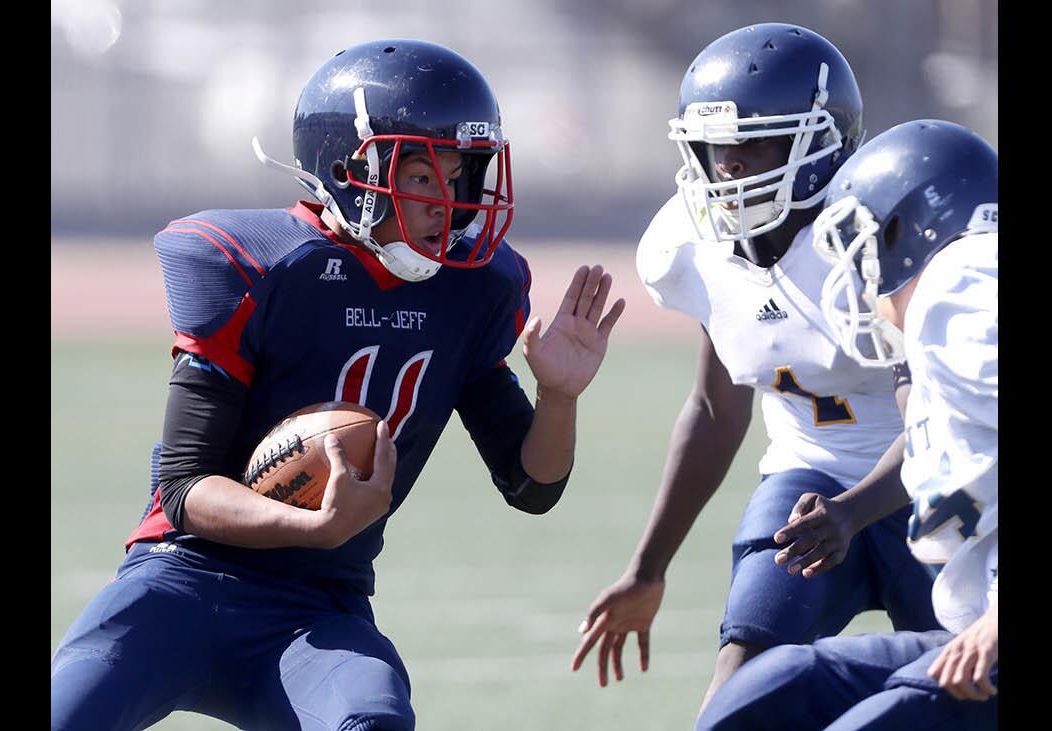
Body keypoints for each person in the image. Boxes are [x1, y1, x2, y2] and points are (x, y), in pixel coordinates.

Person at [51, 38, 625, 731]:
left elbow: (532, 485)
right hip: (183, 581)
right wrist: (309, 523)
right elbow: (183, 487)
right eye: (424, 176)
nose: (452, 201)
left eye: (462, 175)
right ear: (352, 168)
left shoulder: (472, 290)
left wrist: (558, 397)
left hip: (317, 606)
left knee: (372, 720)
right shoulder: (260, 267)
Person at [570, 23, 940, 714]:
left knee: (958, 682)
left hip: (926, 484)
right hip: (808, 478)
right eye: (720, 151)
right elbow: (715, 409)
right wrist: (647, 569)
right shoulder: (696, 247)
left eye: (757, 145)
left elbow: (934, 422)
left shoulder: (875, 236)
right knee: (742, 674)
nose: (733, 169)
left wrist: (853, 512)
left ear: (822, 142)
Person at [696, 118, 998, 730]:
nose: (859, 279)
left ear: (907, 229)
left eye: (862, 248)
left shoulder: (959, 283)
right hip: (973, 632)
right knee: (770, 692)